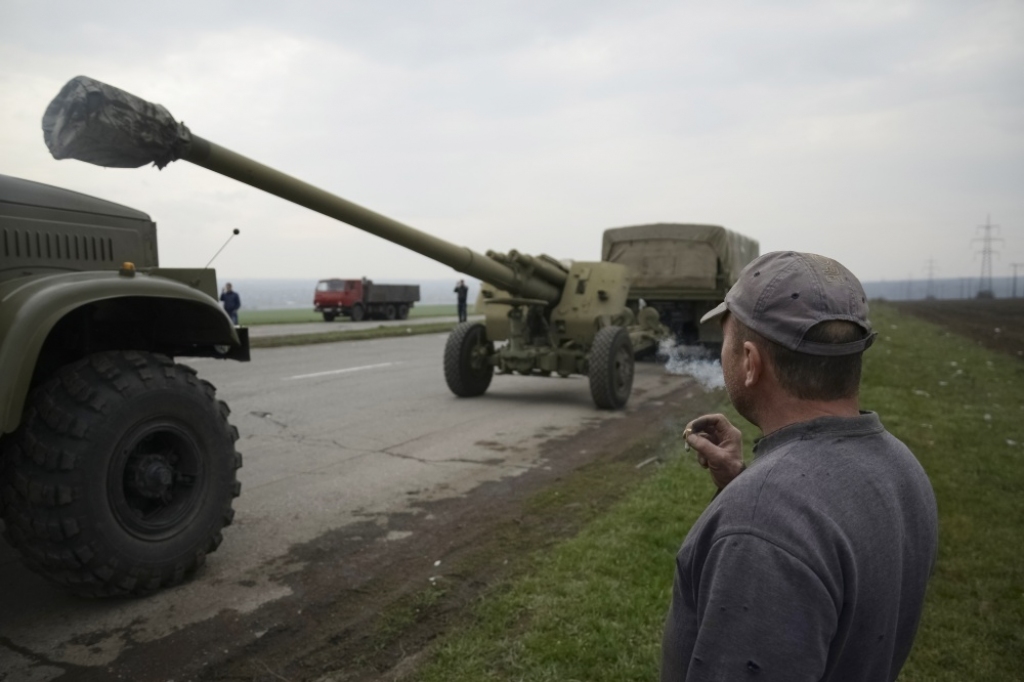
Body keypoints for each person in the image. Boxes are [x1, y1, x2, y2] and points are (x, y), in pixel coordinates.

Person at [661, 251, 938, 682]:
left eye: (727, 343)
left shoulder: (761, 528)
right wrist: (740, 482)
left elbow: (782, 533)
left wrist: (754, 503)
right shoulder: (902, 467)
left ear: (750, 363)